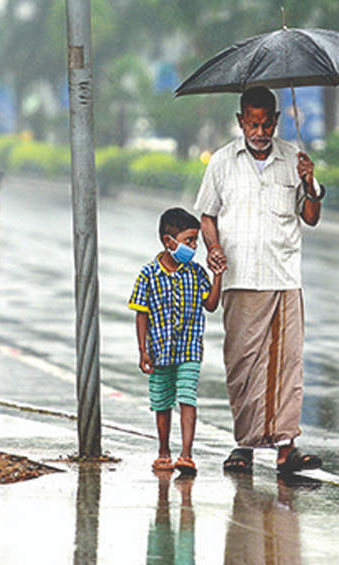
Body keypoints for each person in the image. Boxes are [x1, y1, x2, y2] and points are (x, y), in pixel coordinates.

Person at [193, 86, 326, 475]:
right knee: (242, 362)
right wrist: (213, 248)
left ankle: (287, 447)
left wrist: (310, 182)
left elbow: (312, 216)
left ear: (276, 121)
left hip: (283, 276)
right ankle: (244, 446)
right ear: (241, 122)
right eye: (253, 123)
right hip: (239, 278)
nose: (260, 130)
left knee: (286, 365)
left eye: (267, 123)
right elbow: (207, 216)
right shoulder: (221, 162)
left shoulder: (294, 160)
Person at [129, 208, 224, 475]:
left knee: (187, 396)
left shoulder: (196, 273)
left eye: (195, 241)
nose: (194, 246)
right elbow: (141, 315)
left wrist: (218, 276)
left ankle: (186, 454)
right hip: (160, 351)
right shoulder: (148, 275)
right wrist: (143, 350)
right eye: (189, 240)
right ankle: (163, 451)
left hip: (189, 348)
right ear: (169, 242)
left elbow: (211, 305)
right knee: (161, 402)